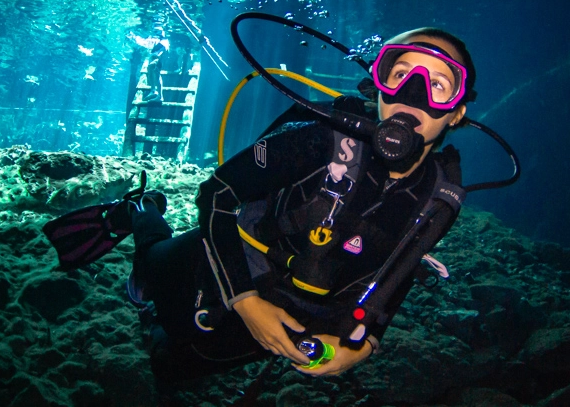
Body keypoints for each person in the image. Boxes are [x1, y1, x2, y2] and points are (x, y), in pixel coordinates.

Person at [127, 26, 477, 400]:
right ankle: (139, 210)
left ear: (456, 112)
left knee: (171, 367)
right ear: (379, 84)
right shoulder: (320, 139)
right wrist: (244, 300)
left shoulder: (438, 198)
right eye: (400, 73)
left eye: (439, 84)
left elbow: (401, 271)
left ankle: (154, 323)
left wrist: (365, 344)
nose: (412, 94)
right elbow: (217, 193)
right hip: (221, 261)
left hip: (292, 311)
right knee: (151, 265)